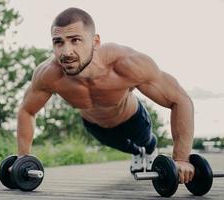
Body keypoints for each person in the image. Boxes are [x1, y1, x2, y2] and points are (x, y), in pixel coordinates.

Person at [17, 7, 195, 183]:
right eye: (58, 42)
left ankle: (149, 150)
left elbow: (180, 100)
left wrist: (181, 159)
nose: (66, 52)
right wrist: (23, 159)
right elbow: (27, 110)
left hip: (132, 117)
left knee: (146, 141)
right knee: (126, 147)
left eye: (75, 40)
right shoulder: (48, 75)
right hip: (96, 126)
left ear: (95, 42)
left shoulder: (127, 63)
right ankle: (137, 154)